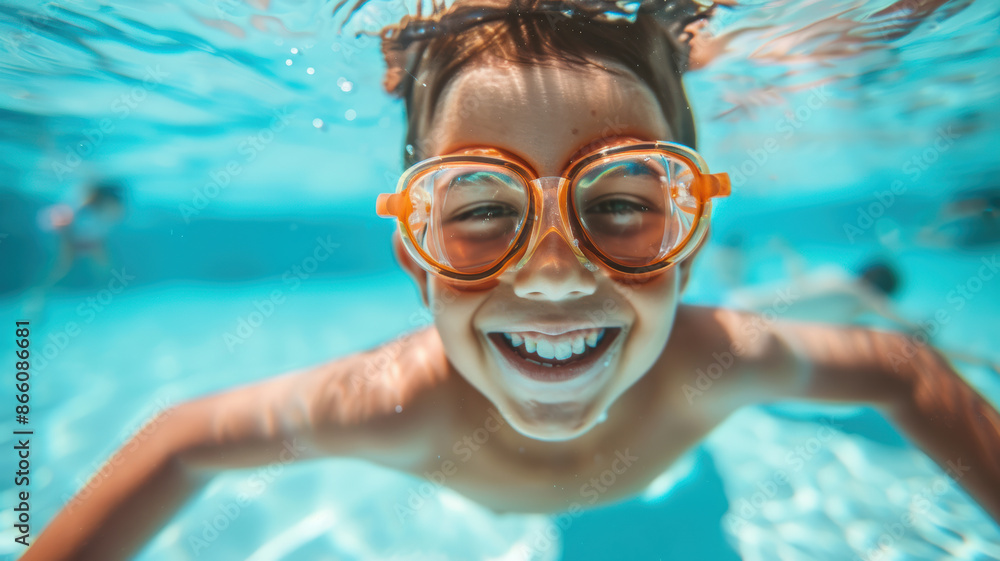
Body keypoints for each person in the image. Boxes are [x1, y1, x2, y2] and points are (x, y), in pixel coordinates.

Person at [25, 1, 1000, 559]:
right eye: (481, 209)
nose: (552, 275)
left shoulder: (716, 361)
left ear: (689, 239)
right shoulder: (388, 405)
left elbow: (899, 372)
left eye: (622, 205)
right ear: (415, 252)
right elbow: (181, 442)